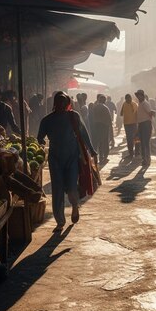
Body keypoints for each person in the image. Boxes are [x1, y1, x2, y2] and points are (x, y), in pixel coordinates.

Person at [37, 92, 96, 231]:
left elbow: (83, 133)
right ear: (54, 104)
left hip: (72, 157)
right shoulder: (47, 120)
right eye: (59, 102)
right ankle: (60, 221)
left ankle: (75, 206)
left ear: (67, 103)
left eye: (64, 102)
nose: (61, 105)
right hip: (55, 159)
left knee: (71, 186)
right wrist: (40, 142)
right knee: (57, 189)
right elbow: (40, 137)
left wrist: (91, 149)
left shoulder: (73, 116)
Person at [91, 94, 113, 162]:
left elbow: (92, 117)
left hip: (96, 125)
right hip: (104, 126)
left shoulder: (95, 107)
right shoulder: (105, 108)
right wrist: (111, 129)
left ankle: (100, 156)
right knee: (105, 141)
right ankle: (105, 156)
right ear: (104, 101)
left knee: (99, 141)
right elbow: (109, 119)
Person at [136, 89, 155, 166]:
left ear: (142, 96)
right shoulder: (140, 103)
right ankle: (145, 159)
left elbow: (150, 113)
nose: (138, 97)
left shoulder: (145, 103)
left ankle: (147, 159)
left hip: (146, 124)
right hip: (142, 124)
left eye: (139, 95)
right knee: (143, 143)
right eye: (137, 96)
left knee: (145, 143)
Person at [120, 94, 138, 158]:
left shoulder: (134, 104)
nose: (128, 100)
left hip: (134, 123)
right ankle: (131, 152)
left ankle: (137, 152)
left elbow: (137, 113)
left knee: (135, 138)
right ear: (125, 99)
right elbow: (121, 113)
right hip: (127, 124)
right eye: (127, 99)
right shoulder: (124, 104)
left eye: (129, 98)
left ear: (131, 98)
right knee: (129, 139)